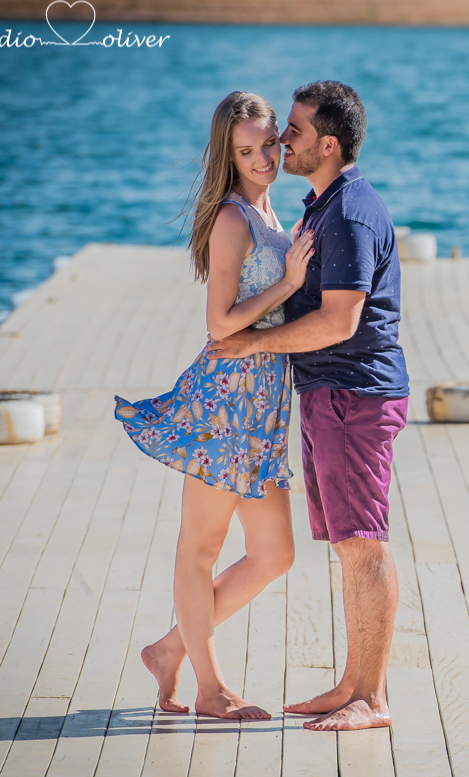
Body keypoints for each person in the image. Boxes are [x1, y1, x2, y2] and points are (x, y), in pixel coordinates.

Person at [206, 80, 409, 732]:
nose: (281, 140)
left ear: (328, 143)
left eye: (293, 130)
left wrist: (252, 344)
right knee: (349, 544)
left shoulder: (348, 213)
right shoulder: (324, 205)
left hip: (353, 394)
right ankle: (352, 683)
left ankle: (371, 700)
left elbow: (339, 322)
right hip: (330, 396)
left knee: (364, 547)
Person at [115, 91, 315, 720]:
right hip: (224, 407)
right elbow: (221, 324)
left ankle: (171, 650)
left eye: (269, 147)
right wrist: (287, 283)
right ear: (228, 157)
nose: (263, 161)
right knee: (199, 549)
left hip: (262, 411)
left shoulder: (272, 210)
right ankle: (210, 688)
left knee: (274, 554)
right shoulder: (234, 219)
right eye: (247, 152)